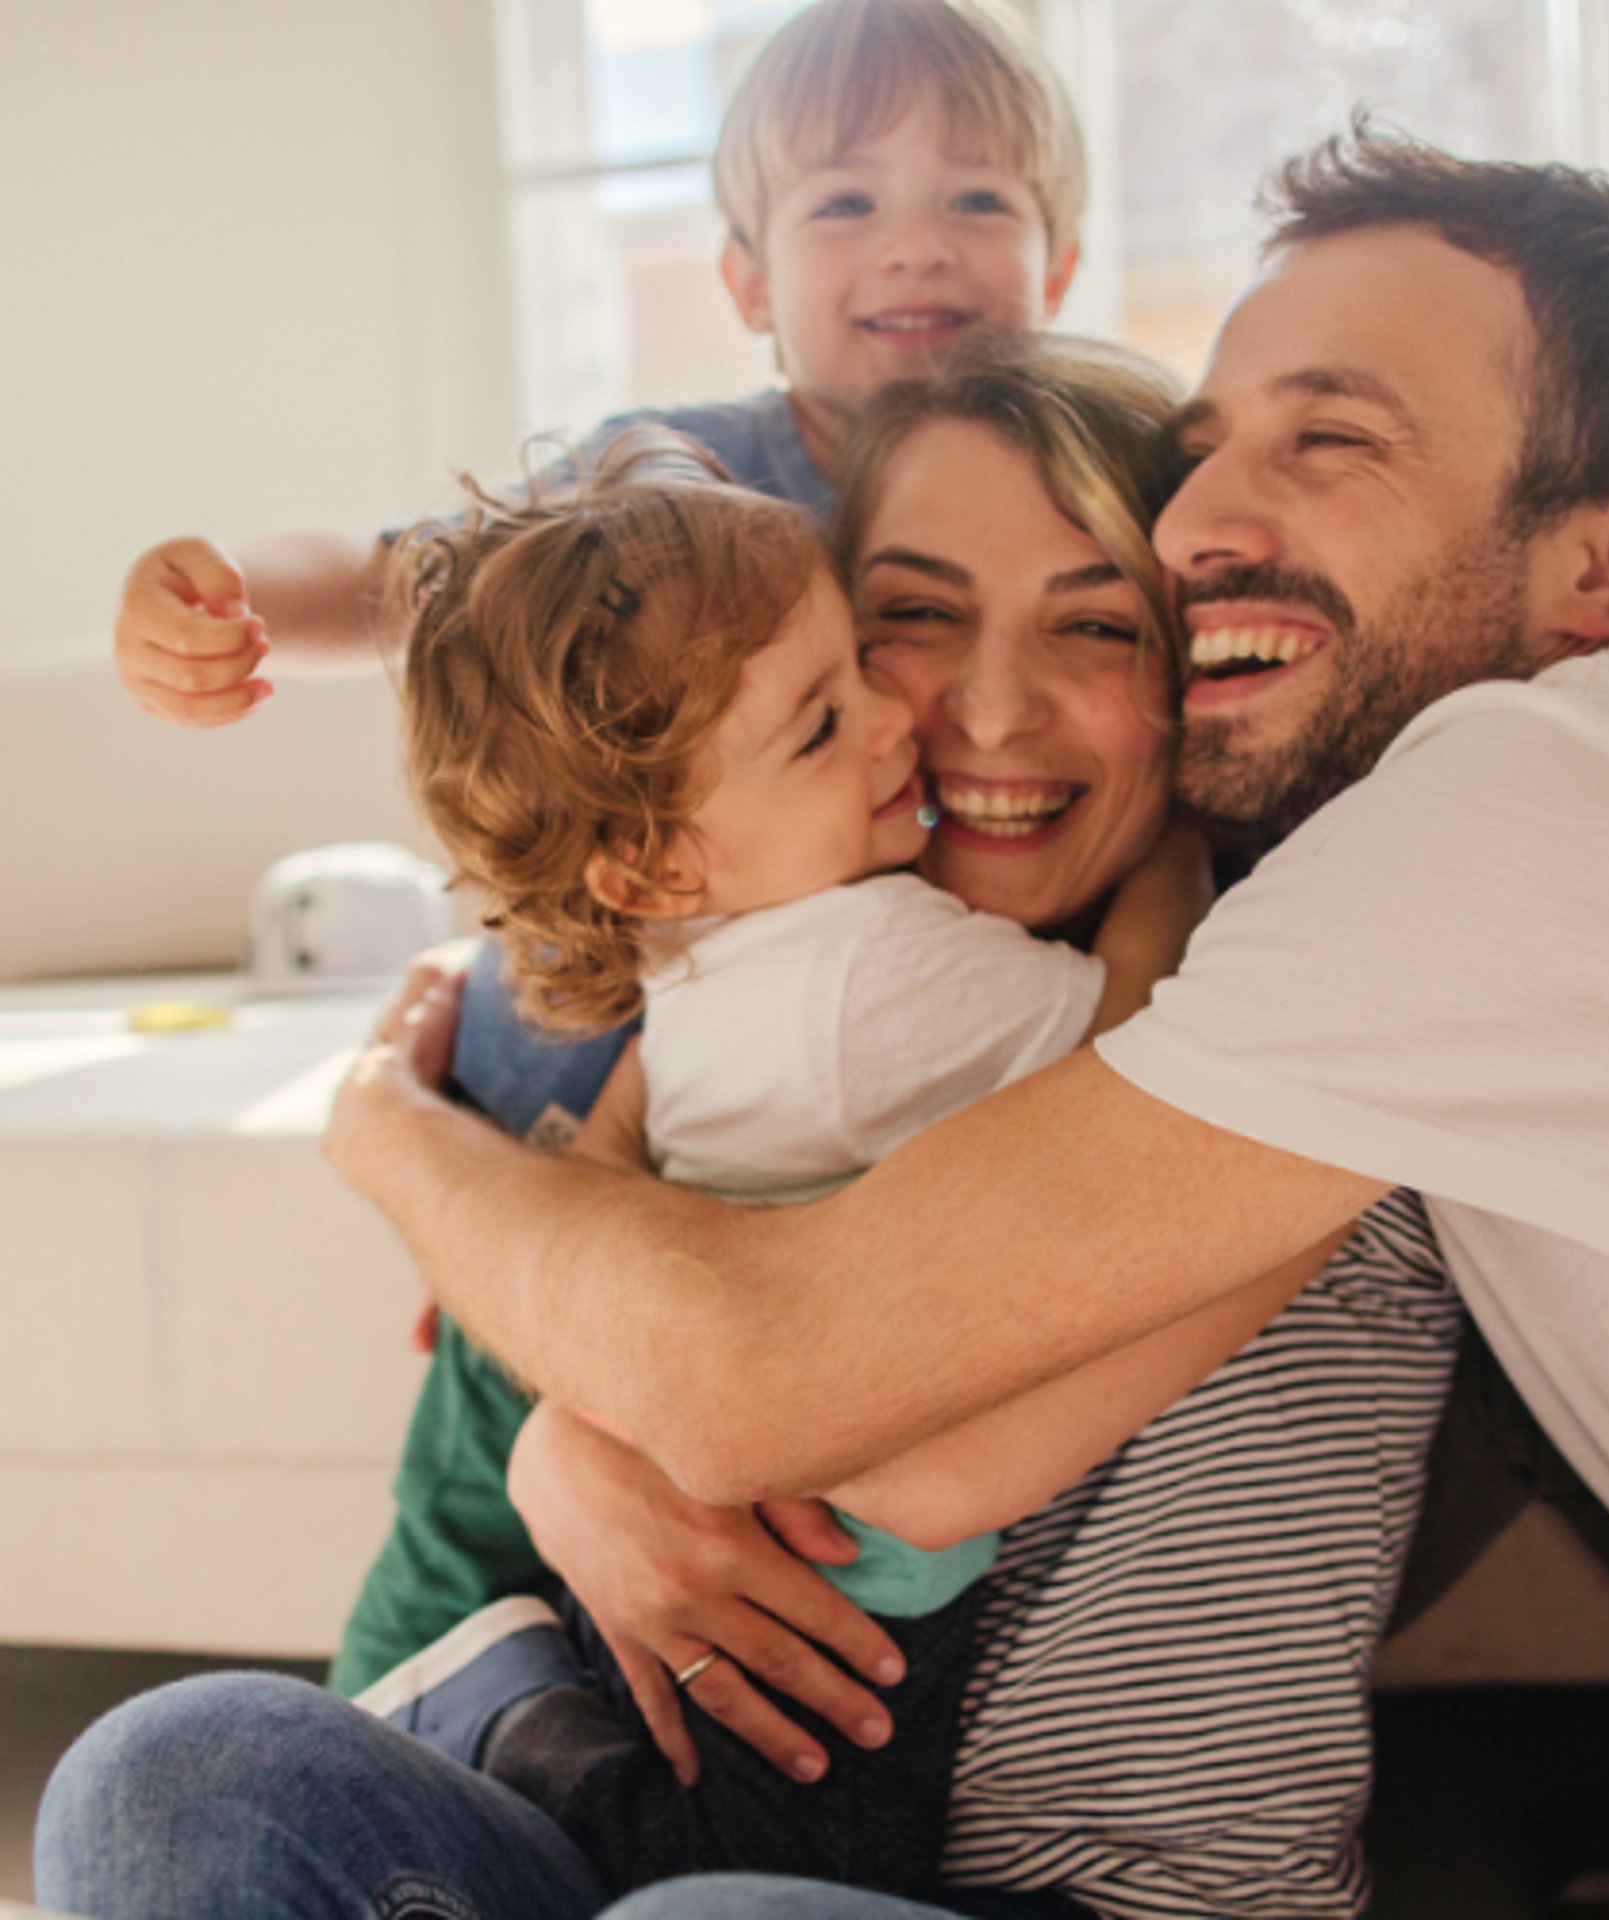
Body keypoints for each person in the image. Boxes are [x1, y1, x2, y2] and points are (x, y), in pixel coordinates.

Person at [299, 126, 1609, 1917]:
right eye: (1213, 446)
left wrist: (384, 1127)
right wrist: (563, 1423)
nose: (1202, 523)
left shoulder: (1542, 807)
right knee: (197, 1771)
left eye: (1331, 438)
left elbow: (800, 1405)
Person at [38, 339, 1461, 1920]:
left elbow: (844, 1423)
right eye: (908, 620)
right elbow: (602, 1258)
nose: (979, 710)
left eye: (1100, 624)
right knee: (169, 1771)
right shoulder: (764, 987)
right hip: (683, 1820)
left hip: (1085, 1898)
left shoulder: (1292, 1019)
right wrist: (550, 1429)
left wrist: (407, 1156)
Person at [106, 0, 1093, 1698]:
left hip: (786, 1186)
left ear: (1063, 262)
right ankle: (360, 1758)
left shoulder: (1070, 484)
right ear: (742, 279)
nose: (916, 243)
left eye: (981, 202)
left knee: (665, 1609)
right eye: (844, 202)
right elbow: (420, 576)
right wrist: (236, 601)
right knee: (451, 1563)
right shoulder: (671, 481)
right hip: (548, 1140)